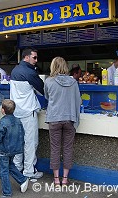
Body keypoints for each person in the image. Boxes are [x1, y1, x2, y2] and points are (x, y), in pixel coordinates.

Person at [44, 56, 81, 186]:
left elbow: (47, 96)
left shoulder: (48, 81)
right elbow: (78, 101)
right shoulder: (74, 82)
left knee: (54, 148)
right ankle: (65, 179)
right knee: (68, 148)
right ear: (65, 66)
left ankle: (56, 179)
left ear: (53, 66)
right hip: (69, 118)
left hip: (54, 118)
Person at [10, 48, 44, 179]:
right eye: (34, 57)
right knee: (30, 142)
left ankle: (17, 167)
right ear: (26, 57)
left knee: (19, 142)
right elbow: (42, 90)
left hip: (16, 112)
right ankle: (29, 171)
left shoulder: (14, 70)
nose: (36, 60)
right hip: (29, 112)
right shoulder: (30, 73)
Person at [0, 99, 29, 197]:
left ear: (2, 110)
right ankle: (22, 179)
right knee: (10, 166)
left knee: (3, 172)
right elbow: (22, 134)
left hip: (4, 150)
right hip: (14, 149)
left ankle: (7, 193)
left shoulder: (2, 122)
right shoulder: (18, 121)